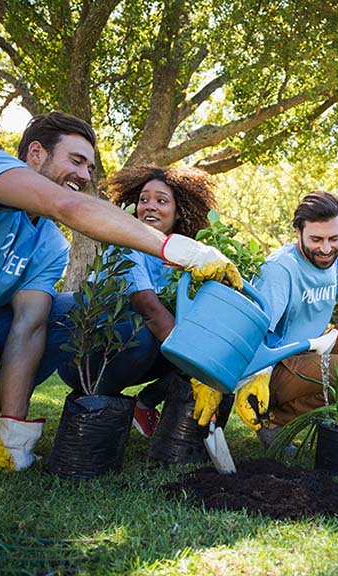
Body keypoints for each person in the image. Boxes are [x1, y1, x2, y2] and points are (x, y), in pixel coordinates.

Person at [0, 111, 241, 492]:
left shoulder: (48, 244)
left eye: (89, 167)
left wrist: (14, 431)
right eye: (76, 161)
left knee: (63, 310)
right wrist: (176, 249)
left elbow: (29, 330)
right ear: (35, 153)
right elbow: (66, 206)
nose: (83, 175)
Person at [190, 191, 338, 447]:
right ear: (298, 232)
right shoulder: (280, 270)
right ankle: (274, 419)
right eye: (316, 239)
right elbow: (253, 331)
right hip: (275, 367)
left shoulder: (332, 262)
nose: (326, 248)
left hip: (310, 353)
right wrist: (248, 377)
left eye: (334, 239)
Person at [57, 164, 218, 440]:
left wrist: (211, 364)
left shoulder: (181, 257)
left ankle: (143, 405)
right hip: (88, 357)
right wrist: (197, 370)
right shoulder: (125, 245)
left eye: (161, 201)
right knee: (149, 333)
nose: (149, 207)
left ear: (179, 212)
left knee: (200, 341)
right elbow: (150, 309)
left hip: (137, 352)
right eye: (143, 199)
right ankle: (100, 403)